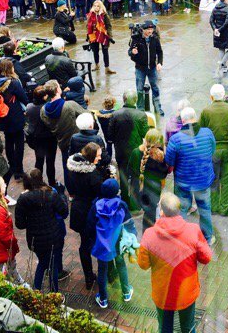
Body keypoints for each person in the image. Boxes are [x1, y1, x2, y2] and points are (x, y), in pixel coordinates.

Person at [137, 193, 213, 333]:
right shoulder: (193, 230)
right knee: (188, 328)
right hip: (186, 291)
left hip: (163, 293)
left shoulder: (149, 235)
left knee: (165, 328)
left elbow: (143, 264)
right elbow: (206, 258)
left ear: (161, 211)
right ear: (179, 210)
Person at [165, 107, 216, 244]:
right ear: (196, 117)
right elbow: (212, 150)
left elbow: (169, 162)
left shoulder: (176, 139)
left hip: (183, 182)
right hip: (203, 180)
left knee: (181, 209)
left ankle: (180, 237)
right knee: (204, 209)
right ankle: (208, 238)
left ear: (182, 121)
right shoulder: (208, 133)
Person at [14, 169, 70, 292]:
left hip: (35, 239)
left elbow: (20, 224)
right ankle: (54, 294)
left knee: (43, 263)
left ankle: (37, 291)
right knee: (52, 266)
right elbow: (64, 212)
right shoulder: (51, 194)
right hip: (53, 237)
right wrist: (62, 196)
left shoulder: (23, 199)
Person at [67, 141, 111, 290]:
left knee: (84, 245)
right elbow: (101, 191)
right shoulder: (92, 175)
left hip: (78, 211)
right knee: (98, 244)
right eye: (98, 156)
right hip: (91, 213)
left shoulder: (74, 168)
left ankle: (88, 277)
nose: (99, 158)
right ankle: (103, 275)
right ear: (91, 156)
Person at [87, 178, 135, 308]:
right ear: (116, 191)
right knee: (121, 264)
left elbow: (90, 226)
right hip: (118, 242)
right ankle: (126, 292)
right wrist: (133, 236)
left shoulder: (96, 205)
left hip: (102, 245)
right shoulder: (122, 205)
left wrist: (92, 241)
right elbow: (129, 223)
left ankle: (103, 299)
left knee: (102, 270)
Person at [198, 84, 228, 216]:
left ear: (211, 96)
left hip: (213, 150)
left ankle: (214, 206)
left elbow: (201, 128)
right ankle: (226, 206)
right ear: (223, 95)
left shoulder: (206, 110)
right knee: (227, 179)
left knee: (214, 179)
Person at [109, 90, 150, 210]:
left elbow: (110, 136)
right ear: (136, 100)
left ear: (124, 99)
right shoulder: (141, 115)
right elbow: (145, 134)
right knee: (136, 176)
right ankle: (135, 204)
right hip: (135, 152)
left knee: (123, 176)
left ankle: (124, 202)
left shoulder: (115, 114)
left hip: (121, 151)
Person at [41, 80, 87, 188]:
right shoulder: (69, 105)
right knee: (82, 164)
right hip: (76, 138)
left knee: (67, 165)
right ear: (57, 90)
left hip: (62, 141)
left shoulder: (43, 110)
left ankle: (70, 191)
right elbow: (86, 115)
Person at [0, 60, 29, 180]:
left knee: (9, 141)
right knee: (19, 142)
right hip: (15, 115)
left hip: (1, 116)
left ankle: (11, 167)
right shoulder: (14, 82)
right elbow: (24, 98)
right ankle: (19, 171)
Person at [129, 128, 169, 231]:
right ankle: (149, 236)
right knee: (150, 215)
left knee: (143, 208)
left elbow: (130, 170)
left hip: (139, 187)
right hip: (153, 190)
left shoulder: (136, 152)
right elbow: (163, 175)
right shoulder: (160, 156)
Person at [129, 19, 164, 115]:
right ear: (143, 29)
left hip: (152, 68)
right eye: (148, 29)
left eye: (151, 29)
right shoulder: (137, 39)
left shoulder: (155, 38)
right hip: (140, 69)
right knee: (139, 89)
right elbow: (130, 53)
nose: (150, 31)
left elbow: (159, 52)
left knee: (155, 87)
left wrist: (160, 63)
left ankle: (157, 107)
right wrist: (133, 53)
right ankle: (140, 109)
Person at [25, 86, 57, 186]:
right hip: (49, 138)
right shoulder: (47, 108)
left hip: (37, 138)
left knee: (39, 161)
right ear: (44, 97)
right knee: (50, 162)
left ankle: (37, 182)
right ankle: (52, 182)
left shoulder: (29, 107)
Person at [87, 0, 116, 74]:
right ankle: (97, 65)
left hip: (103, 34)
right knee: (95, 51)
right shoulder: (90, 14)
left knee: (105, 51)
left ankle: (107, 67)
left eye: (98, 6)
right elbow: (88, 25)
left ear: (101, 7)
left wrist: (110, 36)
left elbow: (109, 26)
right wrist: (88, 35)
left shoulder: (104, 15)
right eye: (95, 6)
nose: (96, 7)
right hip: (93, 35)